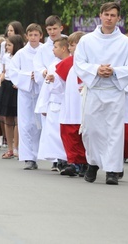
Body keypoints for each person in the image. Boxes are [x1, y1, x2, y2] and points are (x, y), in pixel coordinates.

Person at [74, 2, 128, 185]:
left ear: (118, 18)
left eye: (113, 15)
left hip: (114, 91)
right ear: (100, 15)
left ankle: (112, 170)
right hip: (94, 90)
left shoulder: (126, 43)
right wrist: (96, 69)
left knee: (113, 132)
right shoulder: (87, 41)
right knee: (91, 130)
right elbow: (79, 63)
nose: (109, 18)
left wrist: (115, 71)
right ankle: (93, 163)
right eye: (106, 14)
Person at [10, 23, 44, 170]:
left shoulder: (46, 51)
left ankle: (44, 155)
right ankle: (29, 158)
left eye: (36, 35)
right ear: (26, 36)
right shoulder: (21, 53)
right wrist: (27, 76)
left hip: (42, 91)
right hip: (25, 92)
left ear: (40, 36)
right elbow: (12, 71)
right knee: (25, 124)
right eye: (31, 35)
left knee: (41, 124)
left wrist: (40, 75)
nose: (33, 38)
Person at [35, 36, 69, 170]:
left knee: (64, 133)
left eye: (55, 47)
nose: (53, 50)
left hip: (67, 102)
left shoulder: (72, 63)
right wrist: (44, 105)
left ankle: (68, 159)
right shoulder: (53, 65)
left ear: (64, 48)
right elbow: (47, 88)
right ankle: (60, 159)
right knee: (54, 134)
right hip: (55, 103)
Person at [57, 31, 86, 177]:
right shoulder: (66, 64)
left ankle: (85, 162)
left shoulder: (90, 63)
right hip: (71, 104)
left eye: (73, 45)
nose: (71, 48)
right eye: (70, 45)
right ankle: (73, 162)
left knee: (85, 135)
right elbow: (58, 84)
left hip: (85, 104)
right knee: (69, 133)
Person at [0, 35, 23, 160]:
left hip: (17, 87)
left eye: (10, 45)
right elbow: (5, 71)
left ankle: (17, 147)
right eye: (6, 45)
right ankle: (10, 148)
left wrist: (20, 82)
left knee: (18, 118)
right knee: (7, 118)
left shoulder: (21, 55)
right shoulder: (6, 57)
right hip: (7, 85)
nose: (7, 47)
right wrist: (0, 79)